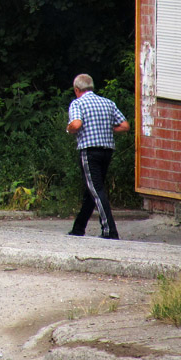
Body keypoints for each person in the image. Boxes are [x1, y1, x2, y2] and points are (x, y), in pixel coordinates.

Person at [66, 74, 129, 240]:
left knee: (96, 189)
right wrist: (108, 129)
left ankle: (110, 230)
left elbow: (77, 124)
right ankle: (78, 228)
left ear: (77, 90)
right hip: (107, 150)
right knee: (92, 189)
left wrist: (69, 128)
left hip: (89, 150)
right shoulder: (108, 103)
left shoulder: (78, 103)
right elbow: (124, 125)